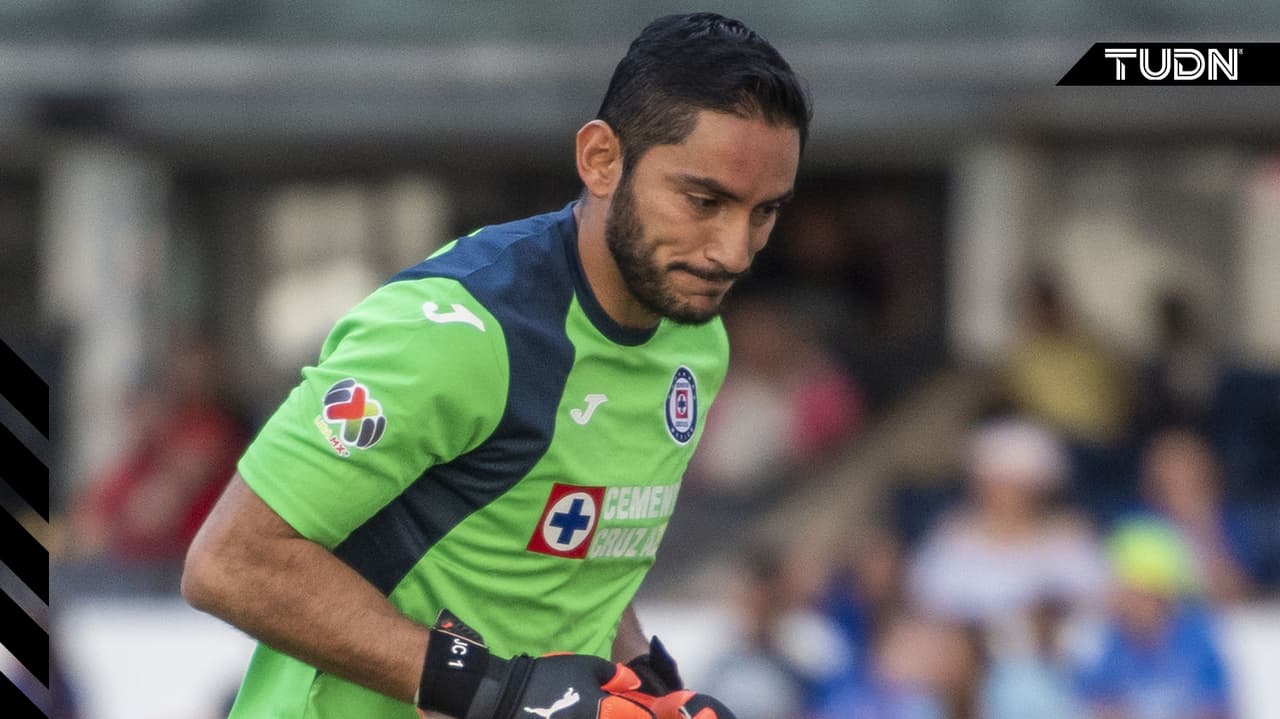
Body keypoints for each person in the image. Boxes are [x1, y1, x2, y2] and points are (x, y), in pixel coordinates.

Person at [180, 12, 811, 719]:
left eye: (765, 212)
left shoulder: (696, 342)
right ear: (601, 159)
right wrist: (495, 691)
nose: (734, 250)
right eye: (704, 201)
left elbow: (572, 573)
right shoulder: (458, 331)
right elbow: (230, 563)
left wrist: (651, 685)